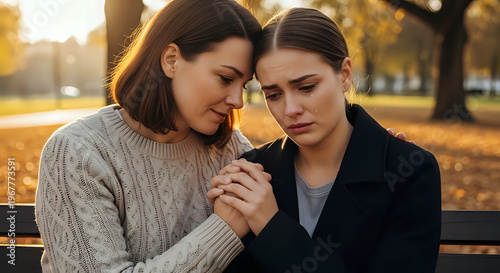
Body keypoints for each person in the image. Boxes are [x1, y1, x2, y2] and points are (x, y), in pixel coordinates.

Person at [35, 0, 263, 272]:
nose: (238, 101)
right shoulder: (78, 151)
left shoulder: (231, 150)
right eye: (225, 78)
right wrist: (223, 230)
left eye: (244, 84)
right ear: (171, 60)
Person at [208, 7, 442, 273]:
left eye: (306, 87)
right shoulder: (252, 174)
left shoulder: (408, 171)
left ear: (344, 75)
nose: (290, 109)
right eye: (273, 94)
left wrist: (272, 226)